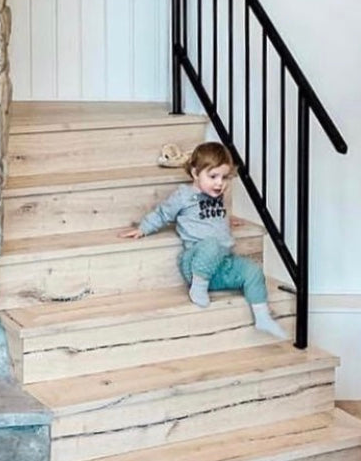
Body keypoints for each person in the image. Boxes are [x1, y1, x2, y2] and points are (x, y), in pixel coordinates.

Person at [120, 141, 289, 339]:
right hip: (195, 262)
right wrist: (143, 228)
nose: (220, 183)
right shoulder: (183, 196)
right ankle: (198, 287)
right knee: (212, 244)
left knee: (253, 270)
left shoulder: (216, 193)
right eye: (213, 176)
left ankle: (262, 317)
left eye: (224, 177)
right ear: (194, 173)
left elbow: (211, 216)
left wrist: (225, 220)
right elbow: (163, 214)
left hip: (221, 265)